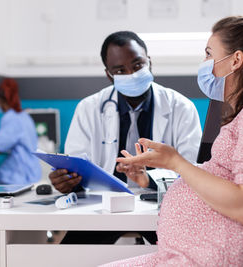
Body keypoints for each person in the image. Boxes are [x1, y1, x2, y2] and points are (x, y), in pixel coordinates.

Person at [105, 16, 243, 266]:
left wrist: (176, 162)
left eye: (208, 54)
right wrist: (161, 171)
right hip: (196, 255)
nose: (204, 63)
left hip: (218, 258)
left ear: (235, 60)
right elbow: (225, 180)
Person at [48, 31, 202, 244]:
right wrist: (67, 181)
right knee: (72, 254)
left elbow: (192, 170)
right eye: (120, 70)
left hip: (161, 207)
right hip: (103, 208)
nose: (131, 73)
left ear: (150, 62)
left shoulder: (181, 107)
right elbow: (77, 164)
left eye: (138, 65)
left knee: (182, 251)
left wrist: (148, 179)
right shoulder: (88, 108)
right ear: (109, 74)